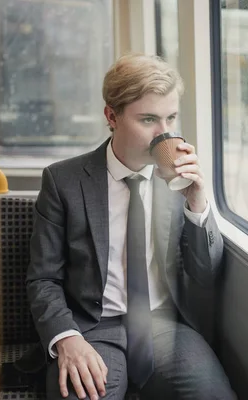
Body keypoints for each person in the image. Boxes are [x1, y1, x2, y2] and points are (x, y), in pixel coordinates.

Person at [26, 53, 235, 400]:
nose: (164, 133)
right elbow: (43, 278)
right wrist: (67, 338)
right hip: (92, 326)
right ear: (112, 116)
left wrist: (198, 201)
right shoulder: (63, 180)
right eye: (149, 119)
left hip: (164, 325)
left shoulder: (177, 182)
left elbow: (205, 273)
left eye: (171, 117)